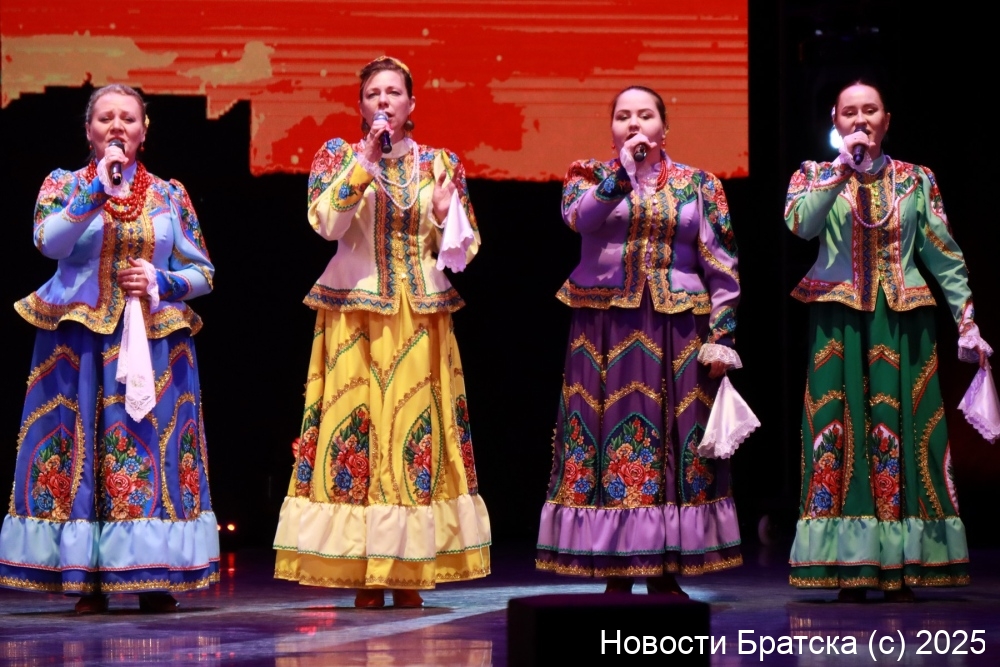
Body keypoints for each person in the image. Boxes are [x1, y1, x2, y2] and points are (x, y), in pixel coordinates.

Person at [272, 56, 491, 608]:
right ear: (361, 105)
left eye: (394, 92)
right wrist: (365, 161)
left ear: (411, 104)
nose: (384, 101)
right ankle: (364, 571)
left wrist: (443, 214)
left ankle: (408, 569)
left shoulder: (440, 163)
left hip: (420, 315)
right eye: (374, 93)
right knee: (357, 433)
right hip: (354, 311)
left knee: (412, 435)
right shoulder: (337, 156)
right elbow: (326, 225)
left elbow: (464, 251)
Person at [0, 84, 220, 613]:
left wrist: (163, 281)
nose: (116, 126)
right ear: (89, 131)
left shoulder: (170, 194)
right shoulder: (63, 185)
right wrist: (96, 191)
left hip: (154, 342)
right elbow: (48, 242)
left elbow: (204, 273)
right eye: (105, 118)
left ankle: (153, 575)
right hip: (78, 343)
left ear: (144, 131)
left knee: (148, 449)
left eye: (128, 118)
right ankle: (88, 578)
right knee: (80, 450)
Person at [785, 81, 992, 601]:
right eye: (849, 112)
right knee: (838, 431)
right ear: (836, 122)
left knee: (905, 430)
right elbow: (801, 225)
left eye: (870, 110)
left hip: (903, 323)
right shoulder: (812, 175)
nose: (860, 119)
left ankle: (905, 564)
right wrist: (841, 170)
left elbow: (944, 253)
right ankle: (847, 565)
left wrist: (966, 320)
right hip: (837, 322)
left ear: (886, 120)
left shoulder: (917, 179)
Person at [535, 86, 746, 596]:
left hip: (678, 331)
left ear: (663, 129)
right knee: (606, 440)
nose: (634, 124)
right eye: (623, 116)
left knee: (673, 442)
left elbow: (723, 266)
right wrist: (622, 176)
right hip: (603, 332)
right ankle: (615, 568)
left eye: (645, 115)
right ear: (612, 130)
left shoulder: (700, 185)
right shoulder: (589, 177)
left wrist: (721, 336)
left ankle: (665, 568)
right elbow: (580, 219)